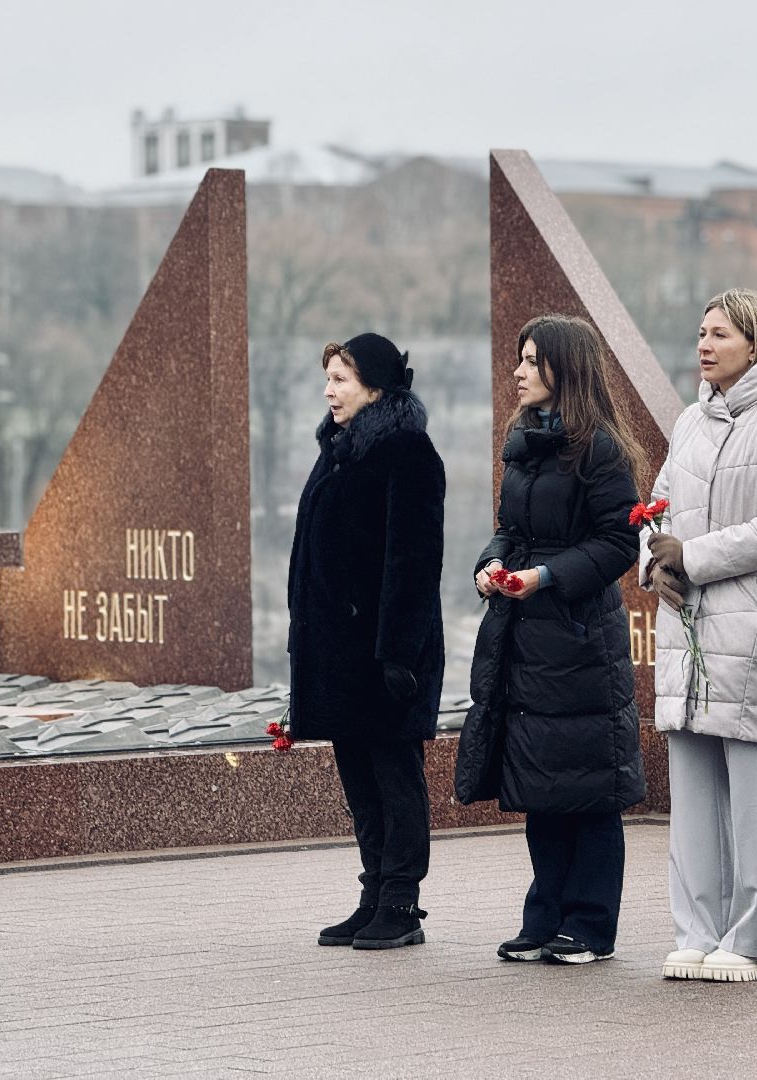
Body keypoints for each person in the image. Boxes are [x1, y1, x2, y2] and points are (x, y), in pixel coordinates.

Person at [638, 288, 757, 983]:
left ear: (756, 342)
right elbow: (653, 510)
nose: (704, 345)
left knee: (755, 793)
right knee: (692, 793)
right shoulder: (691, 421)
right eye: (700, 333)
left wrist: (695, 557)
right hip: (689, 631)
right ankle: (699, 929)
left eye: (719, 334)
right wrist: (654, 561)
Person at [455, 313, 647, 965]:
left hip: (579, 639)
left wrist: (543, 577)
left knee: (587, 789)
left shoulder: (600, 448)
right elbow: (509, 527)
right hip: (523, 639)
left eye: (532, 360)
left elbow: (620, 542)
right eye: (520, 358)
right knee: (540, 782)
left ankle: (591, 926)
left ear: (566, 368)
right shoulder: (523, 441)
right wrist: (491, 564)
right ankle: (545, 916)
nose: (519, 371)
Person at [287, 332, 446, 950]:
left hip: (386, 654)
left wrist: (398, 655)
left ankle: (403, 903)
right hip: (337, 652)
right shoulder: (339, 448)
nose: (329, 391)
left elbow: (413, 562)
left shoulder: (407, 452)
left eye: (341, 380)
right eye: (327, 378)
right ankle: (374, 892)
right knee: (357, 773)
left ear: (375, 386)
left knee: (393, 774)